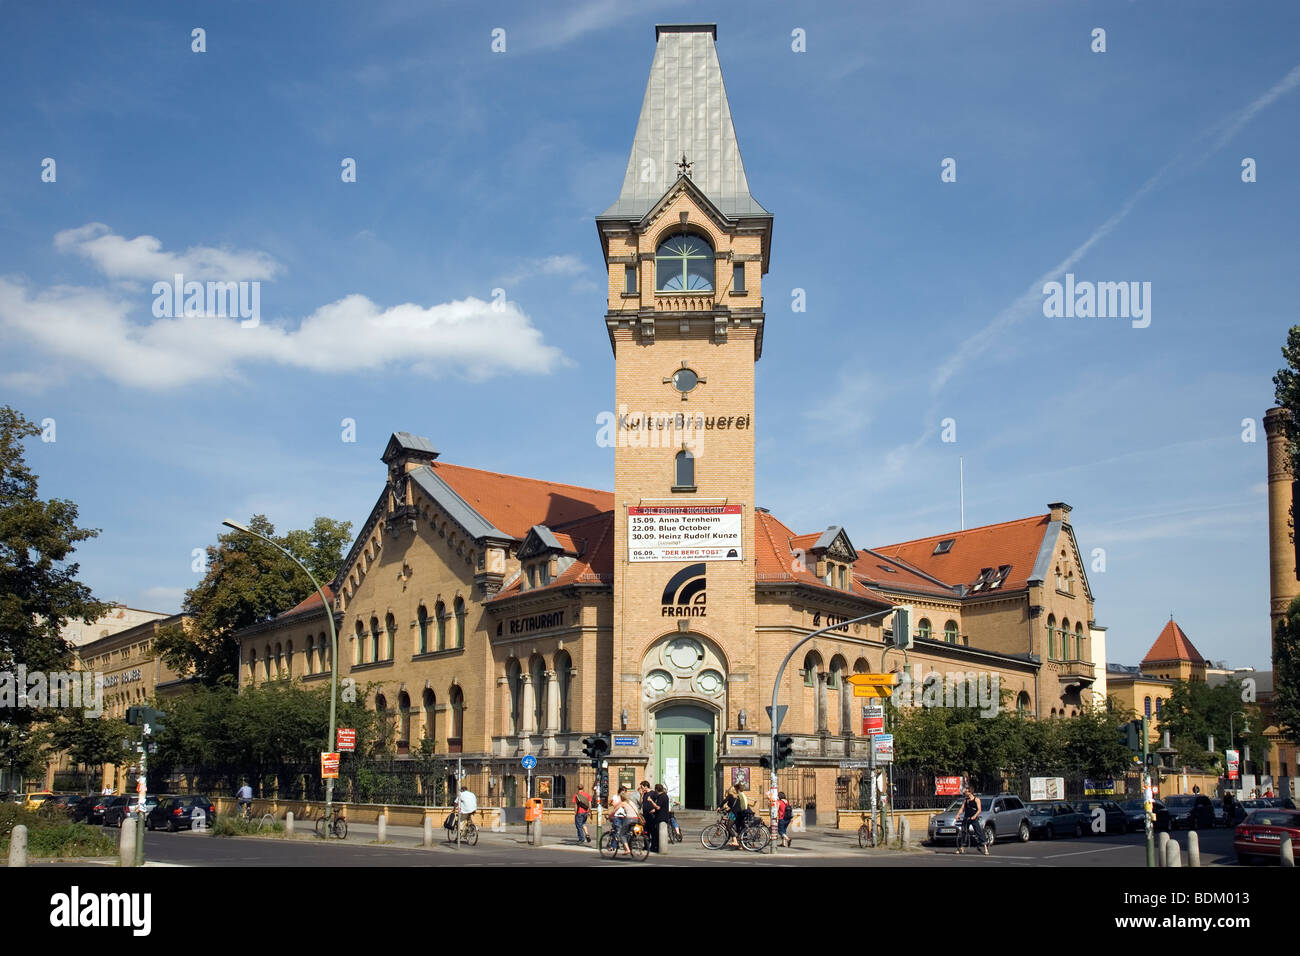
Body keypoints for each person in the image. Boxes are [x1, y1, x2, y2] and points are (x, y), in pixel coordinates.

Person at [609, 785, 638, 856]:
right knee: (628, 833)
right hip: (636, 819)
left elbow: (614, 811)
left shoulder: (623, 803)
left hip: (629, 819)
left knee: (622, 835)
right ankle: (628, 845)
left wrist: (610, 816)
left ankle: (627, 850)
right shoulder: (631, 802)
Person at [957, 787, 985, 855]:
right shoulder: (966, 800)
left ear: (970, 792)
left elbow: (979, 810)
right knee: (964, 832)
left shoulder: (976, 799)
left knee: (978, 832)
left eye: (966, 792)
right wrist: (958, 814)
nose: (965, 793)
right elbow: (962, 808)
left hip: (973, 818)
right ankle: (962, 848)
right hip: (966, 818)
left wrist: (974, 816)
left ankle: (985, 847)